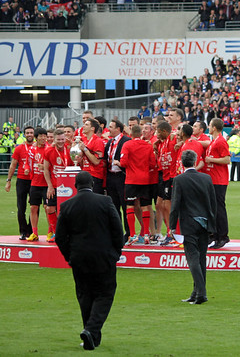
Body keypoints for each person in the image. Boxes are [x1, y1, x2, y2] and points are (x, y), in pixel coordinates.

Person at [55, 171, 124, 351]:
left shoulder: (67, 205)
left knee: (85, 295)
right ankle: (91, 330)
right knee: (105, 294)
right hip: (104, 256)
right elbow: (118, 229)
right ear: (92, 184)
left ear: (75, 186)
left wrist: (69, 256)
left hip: (79, 258)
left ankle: (91, 336)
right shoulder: (105, 201)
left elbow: (60, 237)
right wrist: (116, 252)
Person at [170, 150, 217, 305]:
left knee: (192, 258)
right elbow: (213, 203)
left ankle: (201, 293)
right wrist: (212, 224)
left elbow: (175, 205)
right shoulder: (206, 178)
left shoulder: (179, 180)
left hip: (189, 223)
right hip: (204, 223)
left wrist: (171, 226)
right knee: (201, 258)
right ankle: (196, 292)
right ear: (196, 160)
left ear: (182, 163)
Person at [120, 125, 156, 245]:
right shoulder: (148, 145)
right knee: (145, 206)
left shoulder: (127, 145)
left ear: (131, 134)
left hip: (131, 180)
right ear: (140, 134)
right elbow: (152, 164)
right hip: (145, 180)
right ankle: (146, 234)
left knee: (130, 206)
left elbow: (123, 162)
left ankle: (132, 235)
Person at [204, 118, 231, 249]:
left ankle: (223, 236)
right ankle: (214, 235)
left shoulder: (220, 141)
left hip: (219, 180)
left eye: (209, 125)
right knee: (212, 209)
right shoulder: (213, 141)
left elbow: (227, 159)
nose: (208, 127)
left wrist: (211, 159)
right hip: (212, 179)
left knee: (219, 209)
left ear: (214, 127)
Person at [5, 126, 34, 240]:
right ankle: (23, 231)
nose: (29, 135)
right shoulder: (19, 148)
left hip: (35, 180)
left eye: (31, 133)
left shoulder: (39, 148)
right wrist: (8, 180)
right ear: (24, 134)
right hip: (22, 180)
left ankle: (31, 230)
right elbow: (13, 165)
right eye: (27, 133)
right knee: (21, 207)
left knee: (34, 207)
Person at [104, 120, 130, 239]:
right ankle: (117, 232)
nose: (109, 129)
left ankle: (128, 233)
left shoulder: (126, 141)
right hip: (110, 176)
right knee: (114, 206)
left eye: (111, 127)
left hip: (122, 176)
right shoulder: (110, 142)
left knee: (125, 206)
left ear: (118, 129)